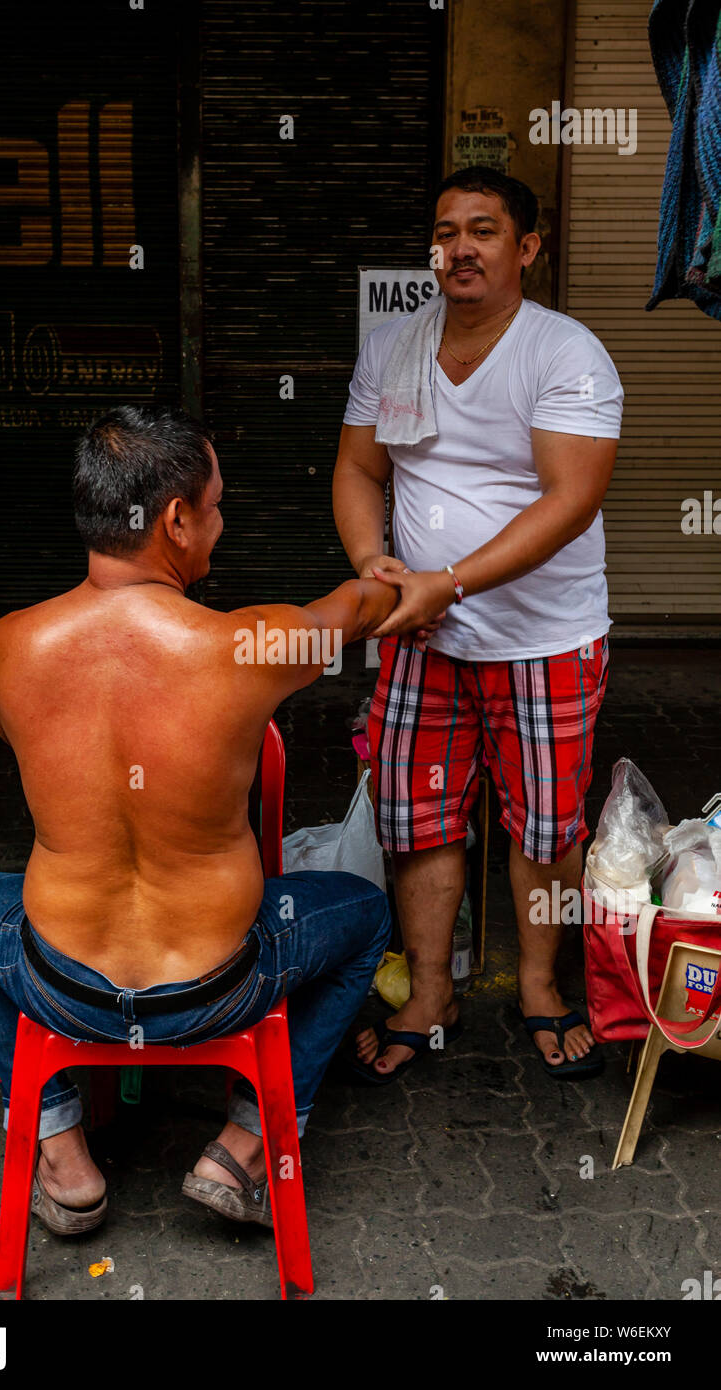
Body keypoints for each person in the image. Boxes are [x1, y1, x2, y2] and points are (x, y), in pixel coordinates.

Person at [0, 406, 397, 1234]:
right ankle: (246, 1145)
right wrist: (394, 583)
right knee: (366, 915)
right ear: (176, 520)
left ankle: (62, 1149)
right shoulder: (247, 650)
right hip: (217, 992)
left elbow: (23, 748)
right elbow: (354, 610)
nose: (222, 523)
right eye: (216, 506)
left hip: (62, 988)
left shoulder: (3, 648)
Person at [333, 164, 623, 1083]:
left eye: (485, 230)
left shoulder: (564, 353)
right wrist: (373, 564)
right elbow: (357, 470)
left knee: (545, 829)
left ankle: (539, 985)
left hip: (544, 641)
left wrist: (447, 581)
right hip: (422, 638)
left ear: (526, 248)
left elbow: (571, 499)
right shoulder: (393, 346)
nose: (460, 247)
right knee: (417, 822)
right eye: (447, 231)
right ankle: (431, 990)